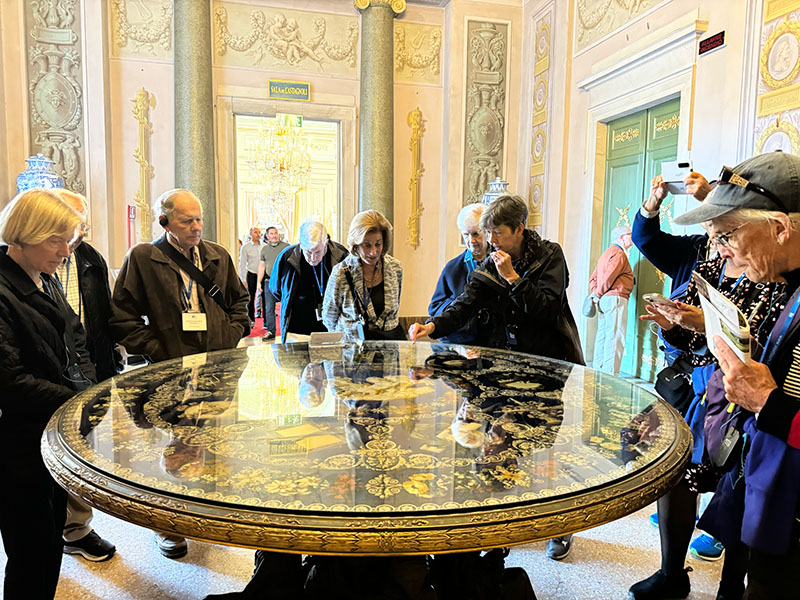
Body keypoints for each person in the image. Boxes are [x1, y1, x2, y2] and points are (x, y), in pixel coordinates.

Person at [409, 194, 583, 559]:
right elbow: (466, 302)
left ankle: (558, 526)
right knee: (498, 443)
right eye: (487, 234)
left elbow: (547, 309)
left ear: (519, 229)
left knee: (541, 448)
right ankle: (495, 527)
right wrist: (434, 325)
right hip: (503, 370)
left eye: (498, 233)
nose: (491, 242)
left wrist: (513, 278)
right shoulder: (491, 260)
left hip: (547, 367)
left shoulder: (549, 255)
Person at [664, 150, 800, 600]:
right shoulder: (784, 282)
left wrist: (768, 402)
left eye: (726, 236)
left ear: (779, 228)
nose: (720, 252)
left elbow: (781, 405)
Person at [110, 188, 249, 558]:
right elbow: (122, 315)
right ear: (165, 222)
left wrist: (231, 335)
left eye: (199, 219)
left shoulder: (218, 255)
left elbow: (240, 301)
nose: (196, 227)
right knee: (168, 447)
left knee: (208, 442)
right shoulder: (143, 257)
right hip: (169, 373)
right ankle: (167, 525)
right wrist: (157, 350)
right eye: (188, 221)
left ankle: (206, 514)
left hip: (215, 370)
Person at [0, 189, 96, 598]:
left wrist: (93, 389)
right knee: (30, 552)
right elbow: (10, 380)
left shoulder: (46, 277)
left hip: (49, 432)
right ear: (24, 234)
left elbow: (75, 341)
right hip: (17, 441)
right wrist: (77, 400)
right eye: (56, 240)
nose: (65, 250)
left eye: (68, 239)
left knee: (49, 541)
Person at [55, 190, 120, 562]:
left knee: (80, 449)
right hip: (47, 373)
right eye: (70, 228)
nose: (77, 236)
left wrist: (106, 364)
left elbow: (102, 317)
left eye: (82, 227)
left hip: (88, 367)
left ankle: (76, 528)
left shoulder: (89, 257)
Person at [323, 210, 405, 340]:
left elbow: (394, 312)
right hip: (353, 354)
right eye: (367, 245)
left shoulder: (395, 268)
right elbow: (329, 318)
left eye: (378, 244)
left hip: (389, 351)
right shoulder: (341, 272)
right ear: (356, 245)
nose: (374, 252)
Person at [270, 219, 347, 342]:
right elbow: (276, 289)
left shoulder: (341, 256)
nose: (313, 258)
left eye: (318, 252)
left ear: (326, 242)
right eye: (308, 252)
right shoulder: (286, 257)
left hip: (332, 327)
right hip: (297, 326)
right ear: (300, 243)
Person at [428, 203, 492, 345]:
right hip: (462, 343)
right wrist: (460, 303)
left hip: (493, 342)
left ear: (487, 231)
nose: (471, 241)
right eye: (466, 235)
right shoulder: (453, 268)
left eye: (476, 233)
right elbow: (434, 308)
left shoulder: (500, 261)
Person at [589, 225, 634, 376]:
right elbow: (609, 277)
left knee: (602, 335)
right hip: (615, 298)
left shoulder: (605, 254)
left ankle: (598, 371)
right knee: (615, 338)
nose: (632, 237)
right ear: (622, 237)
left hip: (604, 300)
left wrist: (596, 293)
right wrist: (598, 293)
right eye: (630, 234)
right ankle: (610, 376)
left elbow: (593, 277)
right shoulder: (619, 254)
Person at [257, 225, 288, 338]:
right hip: (269, 281)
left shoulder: (286, 247)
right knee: (269, 307)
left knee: (286, 306)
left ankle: (287, 329)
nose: (274, 235)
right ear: (267, 236)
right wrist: (258, 282)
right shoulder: (264, 249)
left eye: (276, 233)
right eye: (272, 234)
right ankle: (271, 331)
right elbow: (262, 266)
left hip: (283, 281)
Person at [238, 226, 262, 327]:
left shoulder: (264, 246)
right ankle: (251, 319)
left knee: (264, 297)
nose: (258, 234)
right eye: (255, 232)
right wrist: (243, 279)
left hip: (262, 275)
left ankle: (266, 321)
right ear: (251, 234)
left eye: (259, 232)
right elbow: (242, 264)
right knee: (250, 297)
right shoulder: (245, 247)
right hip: (251, 274)